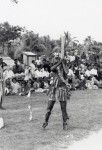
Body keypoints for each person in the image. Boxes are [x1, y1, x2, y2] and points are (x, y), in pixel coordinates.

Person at [42, 56, 71, 130]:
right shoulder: (55, 68)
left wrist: (62, 63)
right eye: (55, 60)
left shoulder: (64, 67)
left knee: (63, 108)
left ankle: (65, 123)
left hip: (62, 89)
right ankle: (45, 121)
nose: (55, 61)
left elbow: (67, 72)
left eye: (57, 60)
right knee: (49, 107)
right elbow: (52, 68)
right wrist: (59, 62)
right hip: (54, 89)